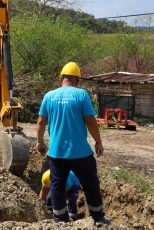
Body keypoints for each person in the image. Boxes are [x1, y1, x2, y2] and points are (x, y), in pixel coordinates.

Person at [36, 62, 111, 225]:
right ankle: (98, 218)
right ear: (78, 81)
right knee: (91, 183)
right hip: (80, 152)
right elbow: (91, 121)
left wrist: (40, 141)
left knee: (57, 185)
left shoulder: (49, 96)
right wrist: (98, 142)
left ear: (61, 78)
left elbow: (41, 121)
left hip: (56, 153)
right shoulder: (81, 95)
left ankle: (60, 219)